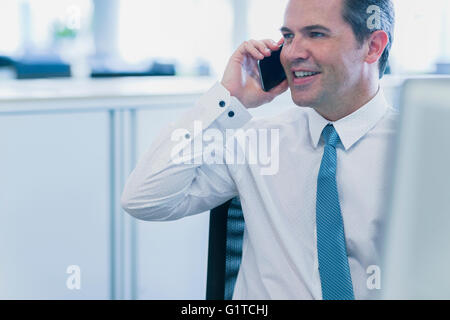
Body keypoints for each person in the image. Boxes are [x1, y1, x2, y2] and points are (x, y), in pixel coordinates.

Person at [121, 0, 397, 300]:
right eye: (288, 37)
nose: (292, 53)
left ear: (373, 46)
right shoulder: (256, 141)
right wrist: (227, 99)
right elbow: (144, 199)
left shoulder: (423, 154)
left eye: (316, 34)